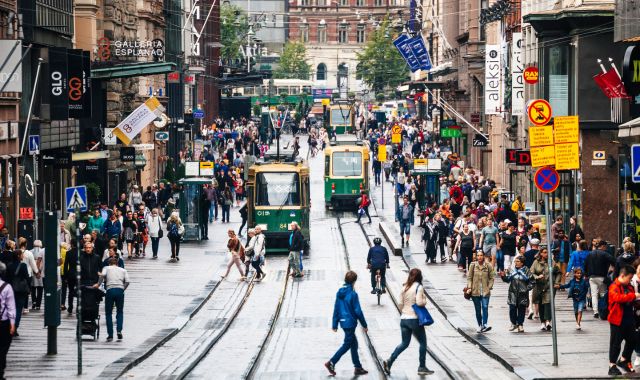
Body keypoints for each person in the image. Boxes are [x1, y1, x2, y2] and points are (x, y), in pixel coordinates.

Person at [383, 268, 434, 375]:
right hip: (414, 319)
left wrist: (404, 312)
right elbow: (420, 302)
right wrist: (425, 300)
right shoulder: (419, 287)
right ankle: (422, 367)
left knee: (404, 343)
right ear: (420, 277)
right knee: (423, 343)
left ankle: (390, 361)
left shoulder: (404, 287)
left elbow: (400, 303)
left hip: (404, 319)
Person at [325, 271, 369, 376]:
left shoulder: (340, 292)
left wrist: (335, 324)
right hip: (350, 323)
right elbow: (358, 311)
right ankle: (331, 362)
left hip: (343, 323)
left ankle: (357, 367)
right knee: (347, 344)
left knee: (354, 343)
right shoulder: (353, 294)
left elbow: (336, 308)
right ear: (354, 281)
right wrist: (364, 325)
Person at [607, 265, 639, 375]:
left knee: (633, 340)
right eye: (629, 278)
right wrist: (633, 296)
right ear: (622, 275)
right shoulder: (614, 286)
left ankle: (624, 360)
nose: (630, 280)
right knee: (616, 343)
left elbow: (631, 299)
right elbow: (617, 298)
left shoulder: (629, 286)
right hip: (617, 320)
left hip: (629, 319)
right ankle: (612, 366)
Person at [97, 257, 130, 342]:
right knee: (119, 312)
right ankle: (119, 330)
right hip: (119, 291)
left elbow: (102, 275)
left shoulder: (106, 268)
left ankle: (110, 334)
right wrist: (123, 289)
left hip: (110, 290)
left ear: (109, 263)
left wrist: (98, 284)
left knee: (108, 313)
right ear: (117, 263)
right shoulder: (123, 270)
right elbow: (127, 281)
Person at [530, 247, 561, 331]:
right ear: (540, 253)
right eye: (544, 252)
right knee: (540, 304)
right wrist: (537, 277)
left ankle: (548, 321)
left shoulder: (552, 262)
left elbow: (558, 273)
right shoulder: (536, 262)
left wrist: (557, 283)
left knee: (548, 303)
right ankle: (542, 322)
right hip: (539, 286)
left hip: (549, 286)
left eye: (547, 252)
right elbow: (531, 273)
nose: (546, 254)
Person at [500, 256, 533, 332]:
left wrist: (527, 288)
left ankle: (520, 324)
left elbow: (532, 281)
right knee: (512, 309)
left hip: (523, 294)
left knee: (521, 309)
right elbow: (507, 280)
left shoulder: (527, 270)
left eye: (518, 261)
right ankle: (513, 323)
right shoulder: (512, 270)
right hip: (513, 293)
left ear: (522, 263)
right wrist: (503, 276)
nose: (516, 263)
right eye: (515, 261)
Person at [584, 240, 615, 318]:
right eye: (605, 247)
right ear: (603, 246)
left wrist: (586, 274)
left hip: (591, 277)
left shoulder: (590, 254)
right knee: (602, 294)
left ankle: (595, 312)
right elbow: (614, 260)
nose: (606, 248)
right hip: (602, 277)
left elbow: (585, 264)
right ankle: (602, 310)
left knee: (594, 295)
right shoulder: (605, 254)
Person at [466, 251, 495, 333]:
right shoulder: (472, 265)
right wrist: (469, 287)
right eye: (478, 255)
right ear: (476, 257)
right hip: (475, 291)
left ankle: (485, 324)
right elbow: (469, 278)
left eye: (481, 255)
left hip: (485, 291)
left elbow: (492, 277)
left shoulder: (488, 265)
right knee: (478, 310)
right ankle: (479, 325)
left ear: (484, 256)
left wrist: (489, 287)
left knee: (485, 307)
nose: (479, 257)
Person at [0, 262, 15, 379]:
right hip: (3, 322)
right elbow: (10, 307)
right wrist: (12, 324)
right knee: (3, 347)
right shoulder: (7, 287)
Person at [8, 249, 28, 336]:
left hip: (10, 290)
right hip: (21, 290)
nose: (23, 256)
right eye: (22, 254)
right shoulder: (23, 266)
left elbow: (6, 278)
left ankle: (10, 326)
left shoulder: (9, 265)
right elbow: (27, 277)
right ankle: (15, 327)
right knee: (19, 309)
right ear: (19, 256)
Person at [30, 240, 44, 310]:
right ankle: (38, 304)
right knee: (40, 288)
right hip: (40, 270)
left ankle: (33, 302)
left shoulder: (30, 251)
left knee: (33, 287)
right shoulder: (42, 251)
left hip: (33, 270)